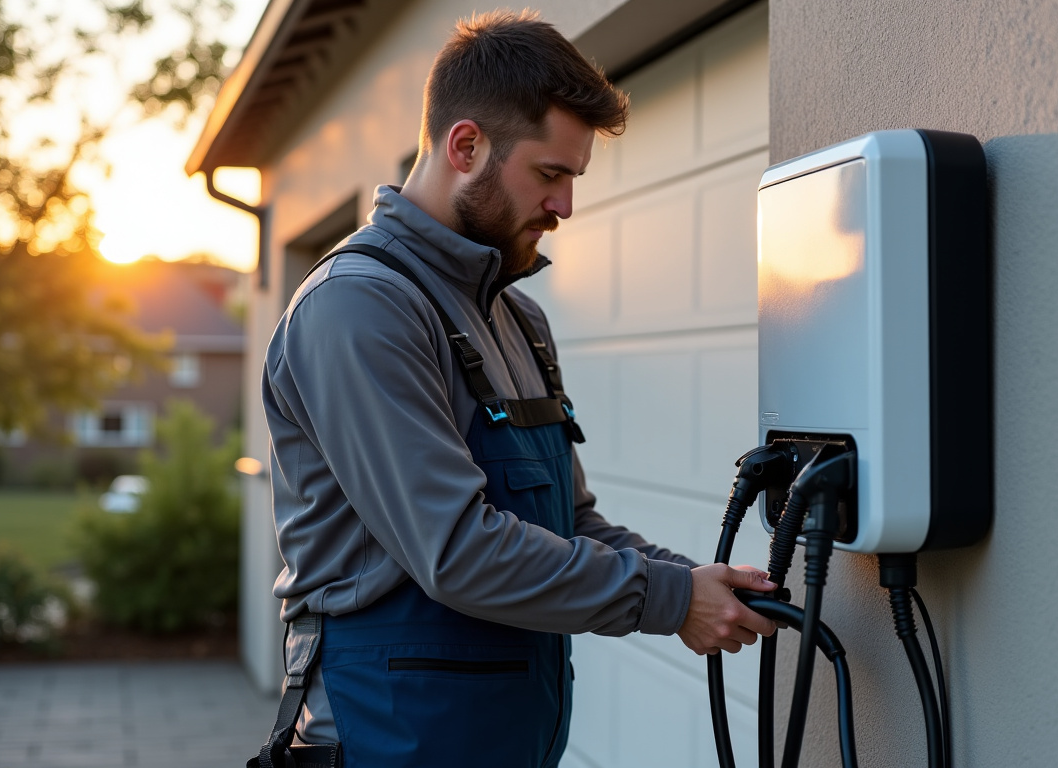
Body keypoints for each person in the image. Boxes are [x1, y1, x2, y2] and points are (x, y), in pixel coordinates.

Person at [259, 10, 778, 767]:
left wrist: (699, 584)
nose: (566, 206)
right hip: (386, 736)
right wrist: (667, 602)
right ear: (465, 145)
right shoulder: (360, 307)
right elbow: (457, 550)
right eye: (551, 173)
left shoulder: (517, 317)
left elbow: (571, 522)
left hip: (504, 737)